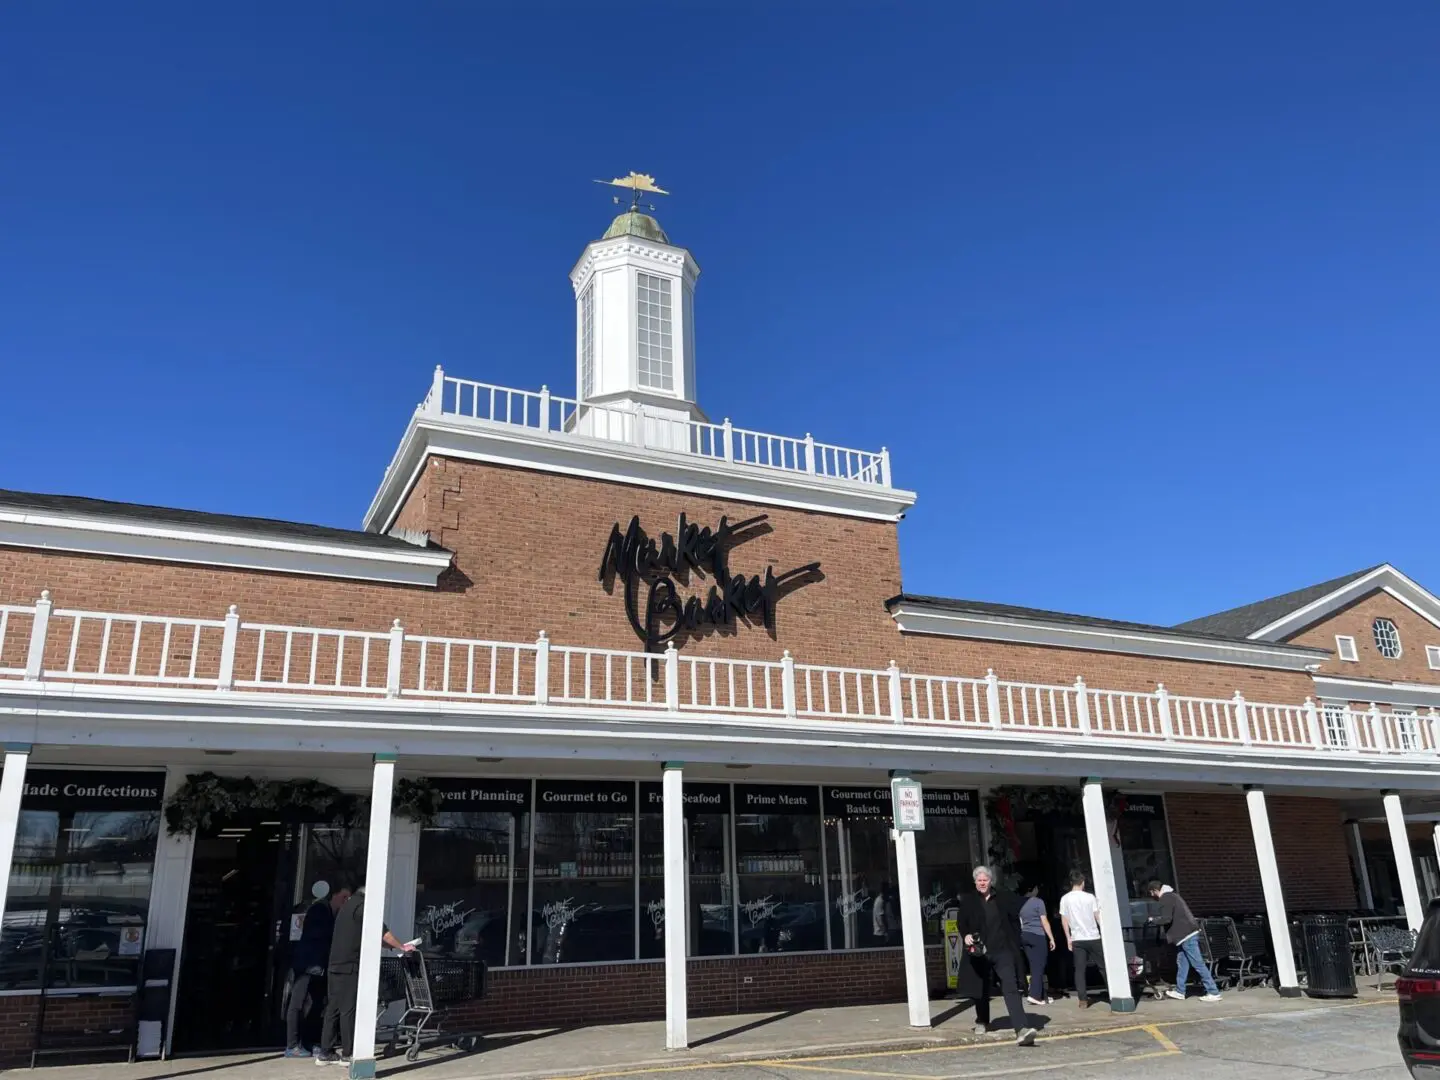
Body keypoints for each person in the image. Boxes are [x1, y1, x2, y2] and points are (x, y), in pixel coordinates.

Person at [315, 883, 417, 1066]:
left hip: (335, 964)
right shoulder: (364, 907)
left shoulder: (348, 906)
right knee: (348, 1010)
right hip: (350, 966)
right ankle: (348, 1053)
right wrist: (402, 946)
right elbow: (382, 932)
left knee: (333, 1009)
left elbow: (371, 935)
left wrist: (393, 946)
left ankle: (326, 1052)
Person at [955, 865, 1038, 1047]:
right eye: (979, 880)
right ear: (975, 882)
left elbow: (1019, 908)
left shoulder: (1003, 897)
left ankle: (1021, 1029)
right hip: (980, 952)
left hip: (1002, 951)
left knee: (1010, 987)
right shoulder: (969, 901)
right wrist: (966, 935)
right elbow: (961, 923)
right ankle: (982, 1020)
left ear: (990, 881)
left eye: (985, 880)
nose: (982, 883)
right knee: (981, 989)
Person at [284, 881, 352, 1058]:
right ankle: (292, 1044)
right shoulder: (319, 910)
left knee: (314, 1005)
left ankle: (308, 1042)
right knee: (297, 1003)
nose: (345, 901)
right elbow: (316, 936)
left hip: (318, 966)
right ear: (334, 895)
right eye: (343, 897)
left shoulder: (331, 914)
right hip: (307, 964)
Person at [1146, 881, 1222, 1002]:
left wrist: (1153, 920)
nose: (1152, 896)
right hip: (1185, 936)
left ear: (1154, 891)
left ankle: (1213, 991)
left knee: (1198, 964)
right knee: (1182, 964)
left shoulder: (1166, 898)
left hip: (1185, 935)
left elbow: (1166, 919)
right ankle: (1180, 991)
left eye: (1151, 893)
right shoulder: (1173, 896)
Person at [1058, 870, 1103, 1009]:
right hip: (1094, 936)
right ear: (1083, 882)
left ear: (1071, 883)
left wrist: (1068, 938)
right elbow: (1097, 916)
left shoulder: (1065, 899)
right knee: (1103, 966)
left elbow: (1064, 920)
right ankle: (1113, 993)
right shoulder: (1090, 897)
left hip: (1077, 938)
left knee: (1079, 970)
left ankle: (1083, 1000)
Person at [1018, 882, 1055, 1006]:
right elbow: (1044, 921)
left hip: (1024, 935)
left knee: (1034, 966)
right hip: (1037, 935)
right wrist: (1051, 938)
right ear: (1034, 889)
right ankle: (1034, 995)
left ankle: (1042, 996)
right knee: (1040, 966)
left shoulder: (1020, 902)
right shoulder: (1038, 902)